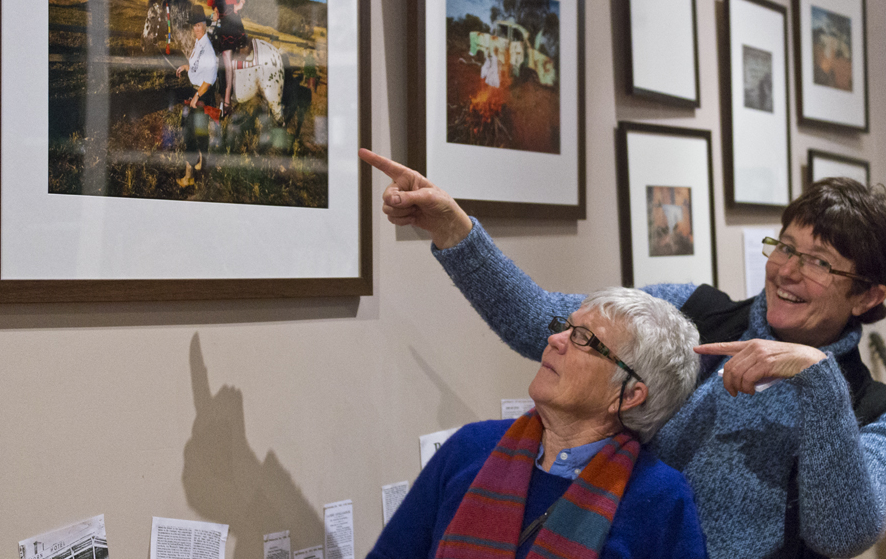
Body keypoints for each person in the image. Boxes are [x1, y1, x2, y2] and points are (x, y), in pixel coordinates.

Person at [359, 148, 886, 559]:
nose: (787, 271)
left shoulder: (872, 409)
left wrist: (819, 379)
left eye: (819, 262)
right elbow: (541, 321)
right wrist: (454, 229)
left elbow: (841, 535)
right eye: (786, 247)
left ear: (867, 296)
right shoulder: (696, 314)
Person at [369, 287, 707, 559]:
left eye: (584, 339)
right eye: (565, 328)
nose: (555, 340)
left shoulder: (659, 497)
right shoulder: (470, 447)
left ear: (629, 395)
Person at [176, 5, 218, 112]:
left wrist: (197, 96)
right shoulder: (198, 43)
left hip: (202, 95)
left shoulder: (208, 49)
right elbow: (198, 67)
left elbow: (208, 80)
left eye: (199, 25)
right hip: (195, 91)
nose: (196, 29)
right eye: (194, 26)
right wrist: (186, 67)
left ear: (205, 25)